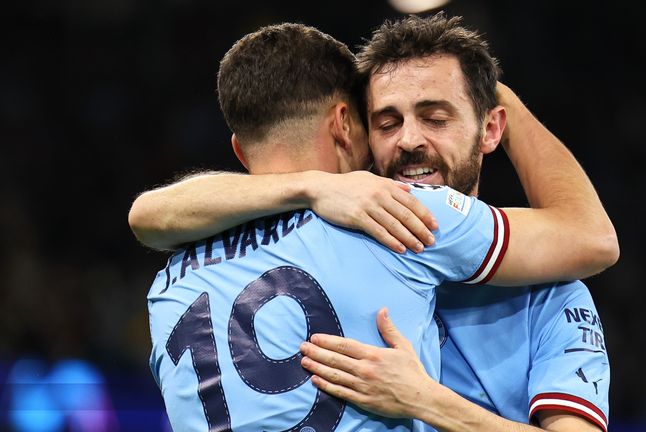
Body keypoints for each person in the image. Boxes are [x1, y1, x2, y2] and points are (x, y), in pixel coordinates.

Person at [132, 14, 618, 432]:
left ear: (491, 128)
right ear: (350, 126)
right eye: (386, 123)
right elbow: (589, 235)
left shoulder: (171, 281)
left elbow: (146, 216)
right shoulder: (375, 220)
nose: (408, 140)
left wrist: (428, 400)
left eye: (435, 117)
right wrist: (316, 185)